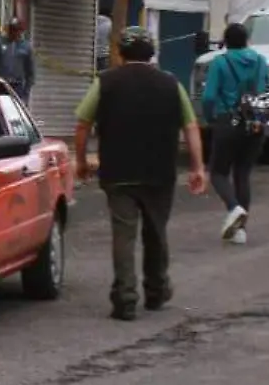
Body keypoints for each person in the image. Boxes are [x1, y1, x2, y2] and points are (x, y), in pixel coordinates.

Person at [73, 26, 209, 321]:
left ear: (120, 53)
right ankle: (157, 290)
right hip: (160, 171)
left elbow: (83, 123)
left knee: (124, 234)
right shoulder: (171, 84)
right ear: (152, 53)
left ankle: (125, 297)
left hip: (118, 172)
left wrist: (81, 161)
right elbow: (190, 126)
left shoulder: (105, 82)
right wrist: (198, 167)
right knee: (156, 233)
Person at [201, 21, 269, 245]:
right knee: (243, 174)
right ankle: (241, 231)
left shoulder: (220, 63)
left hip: (227, 121)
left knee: (218, 172)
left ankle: (234, 208)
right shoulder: (261, 61)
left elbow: (209, 96)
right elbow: (264, 86)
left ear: (225, 42)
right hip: (256, 123)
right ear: (247, 40)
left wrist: (210, 117)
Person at [0, 19, 36, 101]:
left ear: (21, 31)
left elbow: (30, 73)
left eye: (17, 30)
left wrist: (26, 93)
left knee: (13, 111)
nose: (14, 32)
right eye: (12, 29)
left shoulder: (26, 47)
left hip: (16, 87)